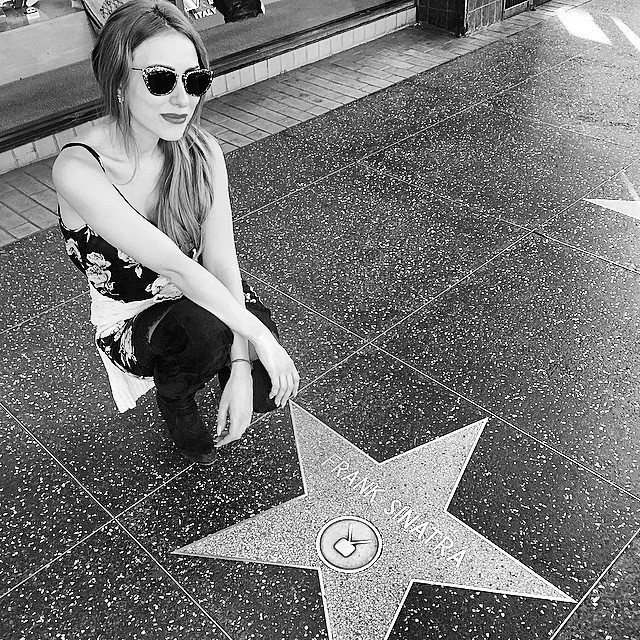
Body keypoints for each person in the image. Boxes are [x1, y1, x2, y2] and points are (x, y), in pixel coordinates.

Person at [52, 0, 299, 466]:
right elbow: (175, 265)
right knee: (206, 331)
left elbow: (221, 261)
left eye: (195, 80)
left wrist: (243, 368)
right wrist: (260, 341)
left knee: (264, 384)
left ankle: (219, 365)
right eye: (161, 80)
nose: (183, 99)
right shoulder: (79, 168)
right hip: (131, 315)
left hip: (194, 289)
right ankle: (176, 399)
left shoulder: (201, 152)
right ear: (118, 82)